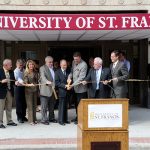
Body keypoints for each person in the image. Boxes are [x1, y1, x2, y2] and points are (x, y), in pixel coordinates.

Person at [67, 52, 87, 124]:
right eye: (74, 59)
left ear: (80, 57)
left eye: (77, 59)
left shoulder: (84, 65)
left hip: (81, 89)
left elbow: (81, 78)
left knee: (80, 104)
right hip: (75, 89)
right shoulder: (73, 62)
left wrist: (71, 85)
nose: (75, 61)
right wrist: (69, 77)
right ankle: (77, 117)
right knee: (76, 104)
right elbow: (72, 72)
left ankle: (81, 119)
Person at [39, 56, 57, 125]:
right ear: (45, 62)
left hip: (53, 91)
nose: (51, 63)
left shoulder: (54, 69)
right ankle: (44, 119)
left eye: (52, 62)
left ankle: (51, 118)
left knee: (52, 106)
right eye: (49, 62)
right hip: (45, 91)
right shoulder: (42, 68)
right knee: (44, 107)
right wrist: (47, 81)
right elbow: (43, 77)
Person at [0, 59, 17, 128]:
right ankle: (0, 123)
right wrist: (1, 81)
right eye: (10, 64)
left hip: (10, 92)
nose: (11, 66)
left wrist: (16, 82)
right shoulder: (0, 71)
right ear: (6, 65)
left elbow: (13, 81)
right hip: (1, 93)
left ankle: (9, 121)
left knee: (9, 107)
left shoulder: (11, 71)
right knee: (0, 108)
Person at [55, 59, 70, 125]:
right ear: (60, 65)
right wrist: (65, 86)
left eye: (66, 65)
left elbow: (69, 80)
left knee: (65, 106)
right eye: (63, 65)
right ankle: (60, 121)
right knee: (61, 106)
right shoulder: (57, 72)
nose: (65, 66)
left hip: (67, 91)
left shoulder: (68, 71)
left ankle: (65, 119)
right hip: (61, 92)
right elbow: (57, 83)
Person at [23, 60, 39, 125]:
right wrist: (30, 84)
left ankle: (34, 119)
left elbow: (37, 81)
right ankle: (30, 120)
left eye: (32, 64)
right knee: (30, 106)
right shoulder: (26, 72)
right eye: (30, 65)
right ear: (27, 65)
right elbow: (25, 83)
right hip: (28, 91)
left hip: (35, 90)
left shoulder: (35, 72)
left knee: (34, 105)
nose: (31, 66)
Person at [14, 59, 27, 123]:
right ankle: (19, 117)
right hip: (18, 88)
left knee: (24, 102)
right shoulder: (16, 71)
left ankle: (23, 116)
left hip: (24, 88)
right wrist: (22, 82)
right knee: (18, 103)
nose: (20, 67)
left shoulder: (25, 70)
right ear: (16, 65)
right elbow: (18, 78)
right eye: (19, 65)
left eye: (21, 65)